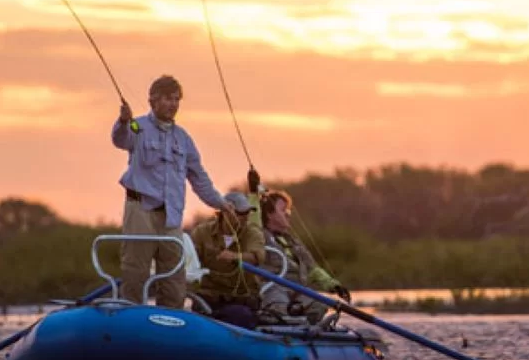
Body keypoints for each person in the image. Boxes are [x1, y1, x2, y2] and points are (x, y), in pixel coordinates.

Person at [112, 75, 230, 307]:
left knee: (175, 278)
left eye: (176, 99)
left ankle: (170, 317)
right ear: (153, 101)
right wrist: (123, 121)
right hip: (141, 210)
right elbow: (120, 139)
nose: (173, 104)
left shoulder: (184, 139)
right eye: (167, 99)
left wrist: (220, 203)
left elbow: (199, 177)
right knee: (136, 272)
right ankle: (131, 316)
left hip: (171, 216)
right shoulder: (137, 127)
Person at [259, 189, 351, 323]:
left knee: (319, 307)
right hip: (273, 289)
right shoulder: (259, 236)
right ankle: (280, 321)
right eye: (283, 210)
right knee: (279, 307)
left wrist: (334, 286)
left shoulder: (292, 241)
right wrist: (254, 193)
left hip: (297, 290)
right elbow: (253, 220)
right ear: (269, 214)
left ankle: (300, 323)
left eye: (289, 211)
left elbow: (312, 268)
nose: (288, 214)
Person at [190, 190, 266, 327]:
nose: (246, 217)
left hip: (241, 299)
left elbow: (257, 257)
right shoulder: (201, 232)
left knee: (241, 315)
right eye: (241, 213)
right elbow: (190, 259)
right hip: (209, 297)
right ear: (225, 212)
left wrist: (235, 257)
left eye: (248, 212)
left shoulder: (253, 233)